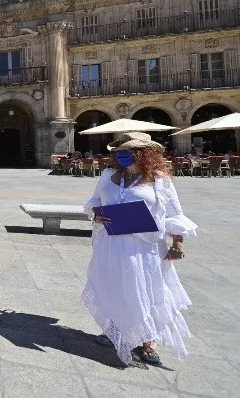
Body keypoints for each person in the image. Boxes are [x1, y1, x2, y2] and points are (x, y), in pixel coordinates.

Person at [83, 131, 197, 366]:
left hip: (143, 247)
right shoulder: (108, 176)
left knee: (145, 289)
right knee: (113, 285)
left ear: (145, 154)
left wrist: (177, 243)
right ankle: (114, 329)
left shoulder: (158, 180)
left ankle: (148, 340)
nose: (124, 156)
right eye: (121, 152)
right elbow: (94, 202)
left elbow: (175, 214)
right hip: (111, 243)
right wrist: (96, 214)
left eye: (130, 152)